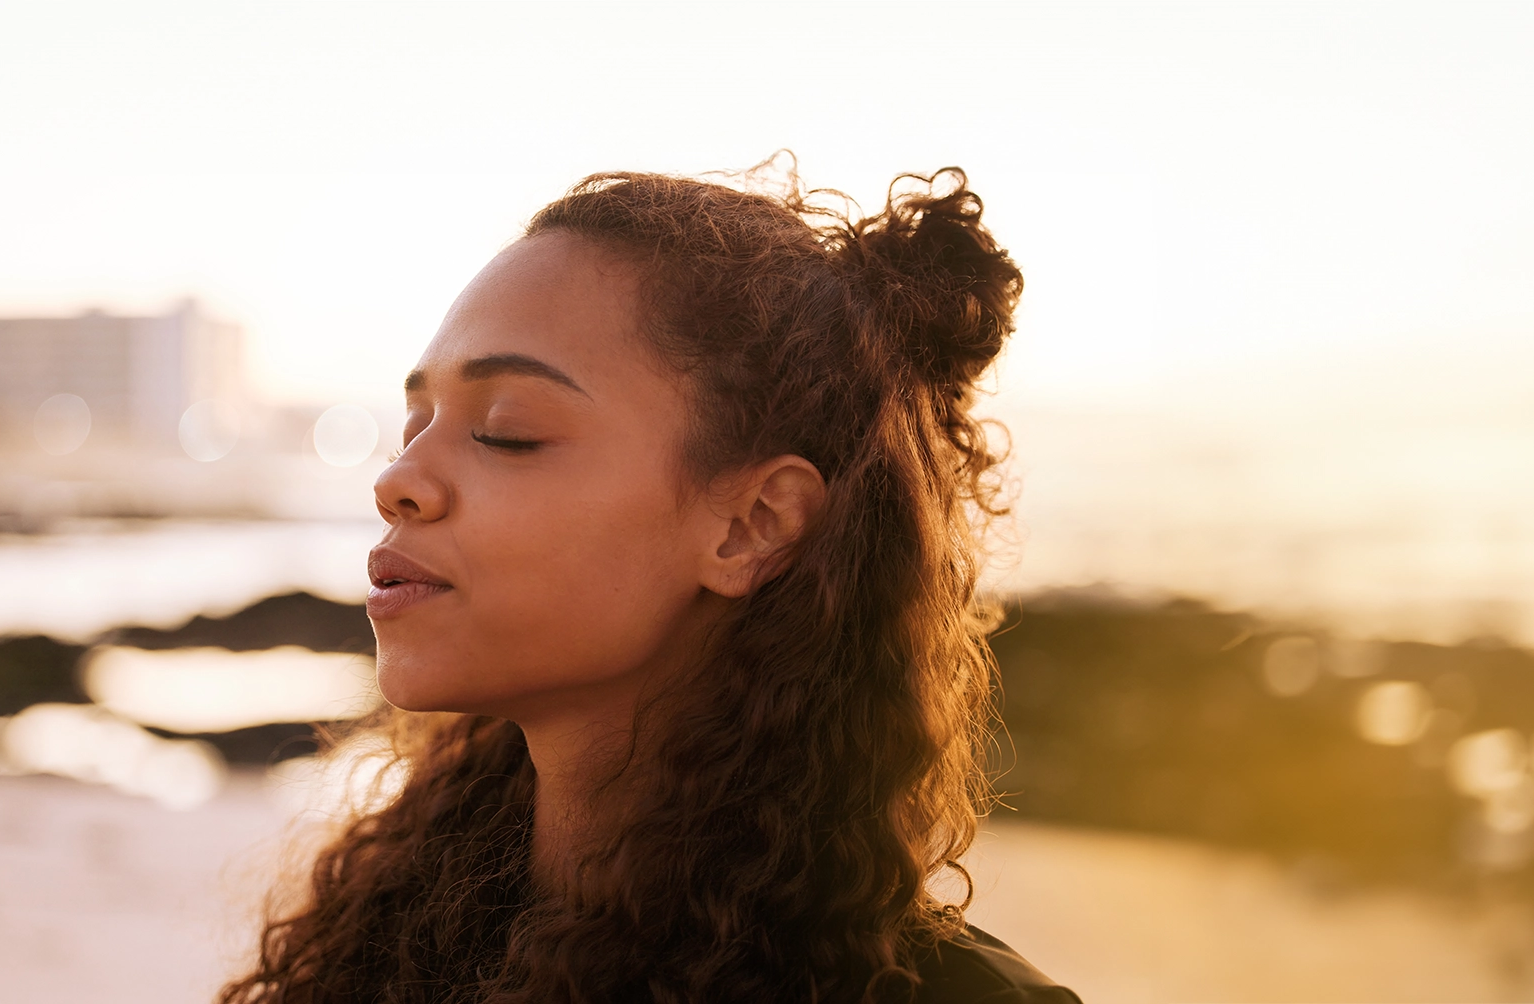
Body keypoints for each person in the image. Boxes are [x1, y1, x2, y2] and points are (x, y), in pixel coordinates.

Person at [221, 162, 1081, 1003]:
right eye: (416, 424)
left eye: (506, 431)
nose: (398, 479)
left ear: (753, 526)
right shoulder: (396, 937)